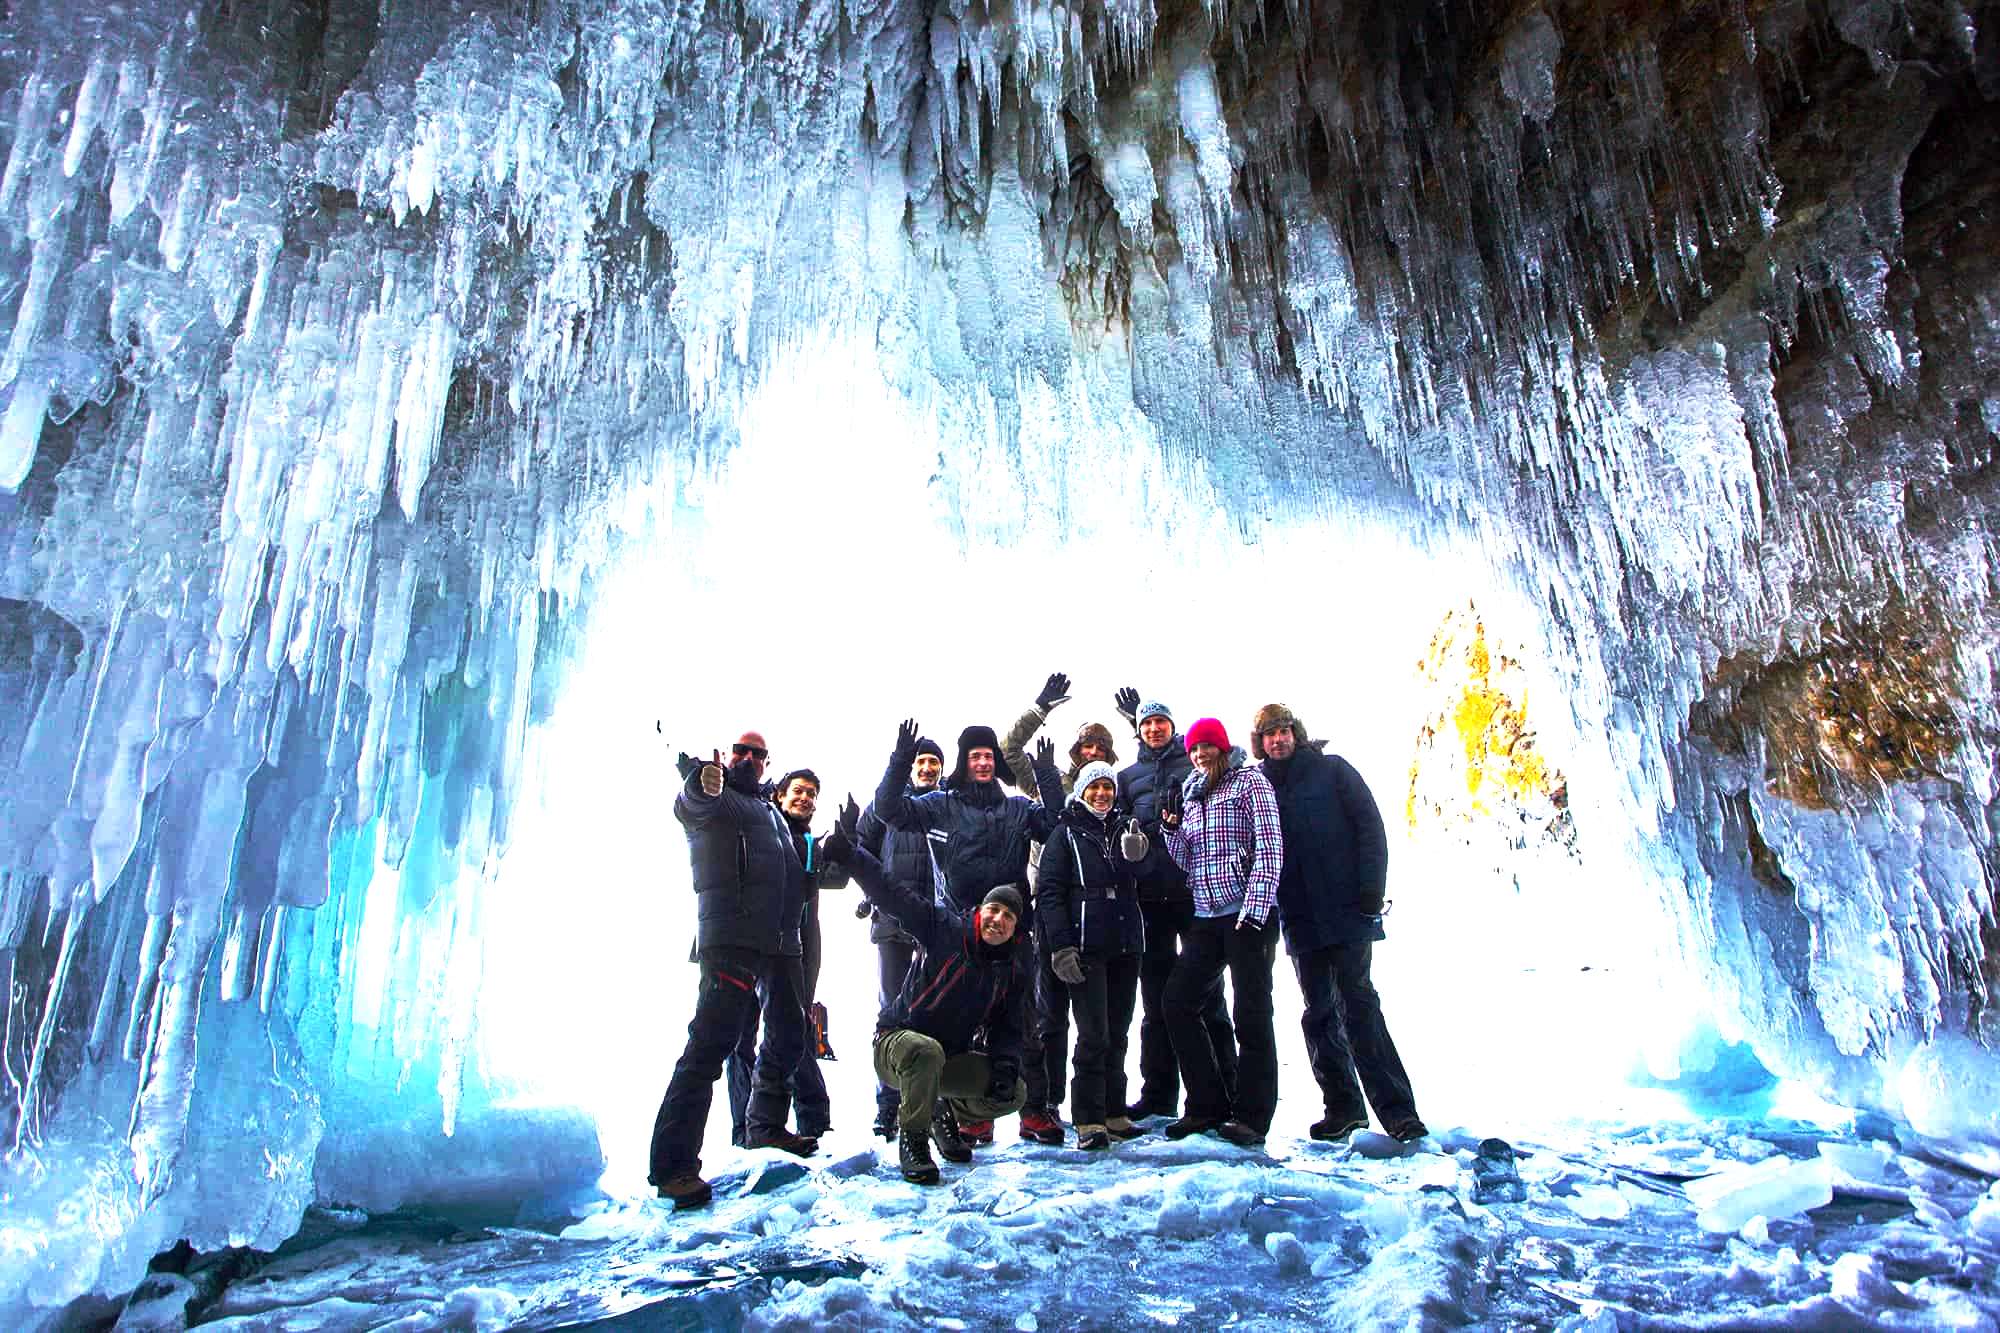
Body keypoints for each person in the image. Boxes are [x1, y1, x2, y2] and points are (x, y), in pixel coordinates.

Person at [649, 733, 817, 1209]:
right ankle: (673, 1165)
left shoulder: (770, 811)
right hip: (733, 940)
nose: (746, 759)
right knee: (710, 1046)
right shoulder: (718, 801)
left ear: (767, 762)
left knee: (789, 1035)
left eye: (756, 754)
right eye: (740, 751)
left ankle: (763, 1127)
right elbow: (689, 806)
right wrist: (699, 784)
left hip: (781, 944)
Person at [823, 803, 1030, 1185]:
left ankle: (939, 1110)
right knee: (926, 1051)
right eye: (994, 910)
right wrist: (851, 856)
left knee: (1014, 1091)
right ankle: (913, 1139)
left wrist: (1003, 1064)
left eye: (1008, 916)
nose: (998, 920)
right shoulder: (943, 928)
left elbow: (1009, 1030)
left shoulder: (1011, 971)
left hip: (944, 1061)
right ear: (981, 912)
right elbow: (892, 892)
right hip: (896, 1046)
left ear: (1015, 929)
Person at [1252, 704, 1427, 1142]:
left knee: (1359, 1005)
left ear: (1295, 732)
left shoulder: (1332, 770)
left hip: (1348, 908)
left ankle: (1398, 1112)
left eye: (1283, 730)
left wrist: (1370, 889)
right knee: (1318, 1014)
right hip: (1299, 915)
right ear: (1261, 742)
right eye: (1269, 734)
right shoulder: (1259, 786)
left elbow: (1370, 827)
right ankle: (1343, 1109)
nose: (1278, 739)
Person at [999, 671, 1121, 1145]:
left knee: (1100, 1021)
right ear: (1075, 754)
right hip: (1046, 910)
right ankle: (1044, 1105)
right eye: (1085, 747)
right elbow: (1010, 749)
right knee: (1047, 1019)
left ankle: (1099, 1107)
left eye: (1100, 749)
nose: (1092, 754)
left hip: (1097, 920)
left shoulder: (1110, 793)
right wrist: (1040, 708)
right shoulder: (1044, 781)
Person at [1159, 717, 1284, 1147]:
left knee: (1251, 1013)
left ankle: (1252, 1116)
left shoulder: (1250, 782)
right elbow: (1186, 859)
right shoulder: (1191, 794)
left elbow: (1270, 844)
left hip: (1248, 915)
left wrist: (1255, 907)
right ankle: (1207, 1103)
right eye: (1194, 749)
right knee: (1177, 1002)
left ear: (1222, 747)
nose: (1199, 755)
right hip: (1207, 916)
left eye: (1206, 747)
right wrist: (1171, 829)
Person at [1114, 695, 1237, 1122]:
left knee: (1208, 997)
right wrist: (1136, 855)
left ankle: (1226, 1091)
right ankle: (1158, 1095)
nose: (1153, 729)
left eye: (1160, 722)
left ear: (1172, 726)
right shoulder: (1127, 777)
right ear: (1139, 729)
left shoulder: (1196, 765)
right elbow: (1118, 826)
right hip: (1148, 901)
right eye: (1146, 724)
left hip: (1196, 897)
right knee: (1156, 1002)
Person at [1035, 760, 1149, 1149]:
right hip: (1086, 948)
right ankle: (1088, 1119)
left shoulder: (1125, 826)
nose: (1102, 794)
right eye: (1094, 787)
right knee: (1094, 1034)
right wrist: (1061, 947)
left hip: (1125, 944)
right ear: (1081, 791)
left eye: (1108, 787)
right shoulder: (1065, 834)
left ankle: (1114, 1111)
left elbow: (1141, 877)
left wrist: (1138, 856)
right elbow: (1049, 893)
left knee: (1118, 1032)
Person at [727, 768, 839, 1143]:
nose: (804, 798)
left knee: (794, 1028)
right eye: (798, 791)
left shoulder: (810, 843)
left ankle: (810, 1118)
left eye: (811, 794)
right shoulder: (759, 825)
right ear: (779, 794)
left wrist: (851, 835)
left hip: (798, 946)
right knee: (741, 1034)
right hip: (748, 940)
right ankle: (746, 1126)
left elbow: (835, 878)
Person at [856, 737, 946, 1139]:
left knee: (937, 1012)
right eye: (922, 761)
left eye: (934, 762)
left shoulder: (948, 803)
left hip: (938, 925)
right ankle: (887, 1104)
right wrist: (867, 893)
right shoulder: (887, 802)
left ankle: (937, 1106)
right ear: (911, 765)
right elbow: (863, 848)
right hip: (893, 922)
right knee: (892, 1011)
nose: (927, 768)